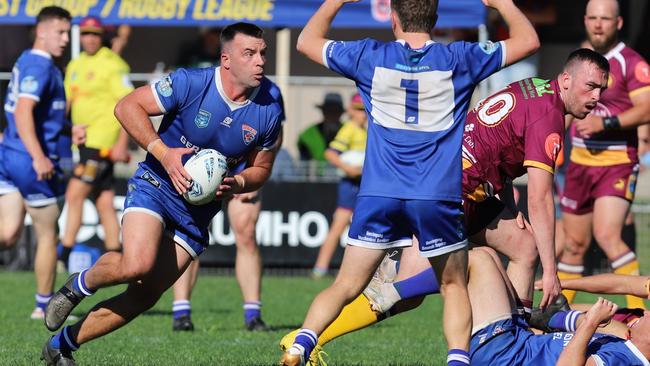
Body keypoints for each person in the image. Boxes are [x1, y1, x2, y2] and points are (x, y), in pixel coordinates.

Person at [279, 48, 611, 363]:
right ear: (566, 80)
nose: (596, 97)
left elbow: (498, 144)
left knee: (523, 245)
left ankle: (518, 341)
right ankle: (304, 340)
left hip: (455, 181)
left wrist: (508, 205)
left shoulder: (535, 86)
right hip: (450, 194)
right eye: (590, 86)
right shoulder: (549, 116)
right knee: (401, 292)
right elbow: (540, 197)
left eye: (601, 89)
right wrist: (552, 272)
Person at [280, 0, 539, 365]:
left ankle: (301, 343)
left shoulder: (368, 55)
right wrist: (502, 3)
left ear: (394, 18)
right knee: (453, 286)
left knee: (346, 285)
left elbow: (306, 41)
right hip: (435, 195)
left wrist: (335, 1)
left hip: (378, 192)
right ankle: (457, 359)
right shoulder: (461, 59)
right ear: (435, 19)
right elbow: (528, 40)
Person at [41, 22, 284, 365]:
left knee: (145, 295)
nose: (260, 61)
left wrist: (241, 183)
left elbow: (261, 168)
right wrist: (164, 152)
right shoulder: (192, 82)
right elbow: (126, 106)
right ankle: (79, 285)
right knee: (136, 264)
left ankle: (62, 345)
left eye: (263, 53)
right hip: (155, 186)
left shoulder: (268, 111)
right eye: (250, 53)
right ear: (226, 59)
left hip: (196, 214)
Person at [558, 0, 650, 311]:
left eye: (605, 19)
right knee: (573, 245)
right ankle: (553, 317)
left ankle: (639, 315)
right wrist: (554, 139)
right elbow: (566, 105)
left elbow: (647, 108)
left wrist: (605, 122)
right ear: (585, 20)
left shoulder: (631, 62)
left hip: (617, 163)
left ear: (619, 23)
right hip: (580, 164)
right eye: (593, 18)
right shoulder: (579, 62)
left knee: (608, 235)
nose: (598, 25)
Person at [0, 6, 71, 320]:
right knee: (47, 234)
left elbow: (39, 113)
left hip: (10, 156)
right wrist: (39, 156)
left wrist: (70, 129)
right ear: (41, 31)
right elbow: (23, 111)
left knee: (8, 234)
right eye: (60, 32)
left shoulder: (28, 61)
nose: (66, 39)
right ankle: (43, 307)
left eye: (68, 32)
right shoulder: (40, 66)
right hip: (31, 161)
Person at [58, 16, 133, 270]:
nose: (90, 38)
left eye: (95, 34)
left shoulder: (114, 65)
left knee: (74, 193)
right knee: (103, 200)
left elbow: (129, 106)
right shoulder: (75, 64)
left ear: (103, 37)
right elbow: (66, 103)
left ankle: (63, 255)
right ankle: (117, 256)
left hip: (101, 144)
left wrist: (122, 142)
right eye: (86, 33)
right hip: (80, 143)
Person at [311, 93, 367, 278]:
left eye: (365, 109)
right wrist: (348, 169)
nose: (363, 114)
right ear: (351, 111)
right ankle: (320, 268)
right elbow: (331, 153)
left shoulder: (366, 130)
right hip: (350, 184)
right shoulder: (349, 129)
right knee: (339, 226)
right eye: (359, 110)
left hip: (362, 184)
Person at [297, 92, 344, 162]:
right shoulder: (308, 134)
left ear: (341, 113)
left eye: (335, 111)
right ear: (323, 112)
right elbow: (304, 162)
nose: (331, 115)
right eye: (328, 111)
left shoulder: (351, 130)